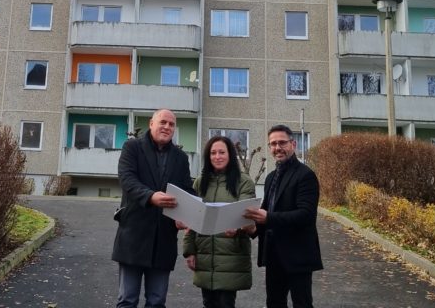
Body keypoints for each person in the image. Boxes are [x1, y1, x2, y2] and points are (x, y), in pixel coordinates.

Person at [111, 108, 193, 308]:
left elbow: (187, 190)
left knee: (157, 302)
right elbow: (127, 180)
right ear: (151, 124)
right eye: (163, 122)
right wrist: (150, 196)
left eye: (171, 124)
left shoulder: (181, 157)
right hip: (134, 237)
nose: (167, 127)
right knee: (127, 300)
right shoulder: (132, 147)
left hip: (164, 239)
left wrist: (188, 215)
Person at [243, 124, 322, 308]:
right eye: (273, 144)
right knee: (274, 303)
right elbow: (265, 211)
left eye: (282, 143)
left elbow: (306, 215)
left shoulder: (306, 175)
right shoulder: (271, 177)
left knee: (302, 304)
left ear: (293, 144)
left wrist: (268, 218)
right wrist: (253, 228)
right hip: (274, 254)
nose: (277, 148)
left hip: (298, 255)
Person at [183, 136, 256, 308]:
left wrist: (238, 228)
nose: (217, 157)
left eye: (222, 152)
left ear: (230, 155)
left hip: (231, 255)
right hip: (204, 253)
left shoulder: (244, 182)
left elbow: (247, 215)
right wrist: (189, 251)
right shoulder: (200, 183)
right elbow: (191, 220)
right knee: (208, 303)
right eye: (213, 153)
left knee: (226, 303)